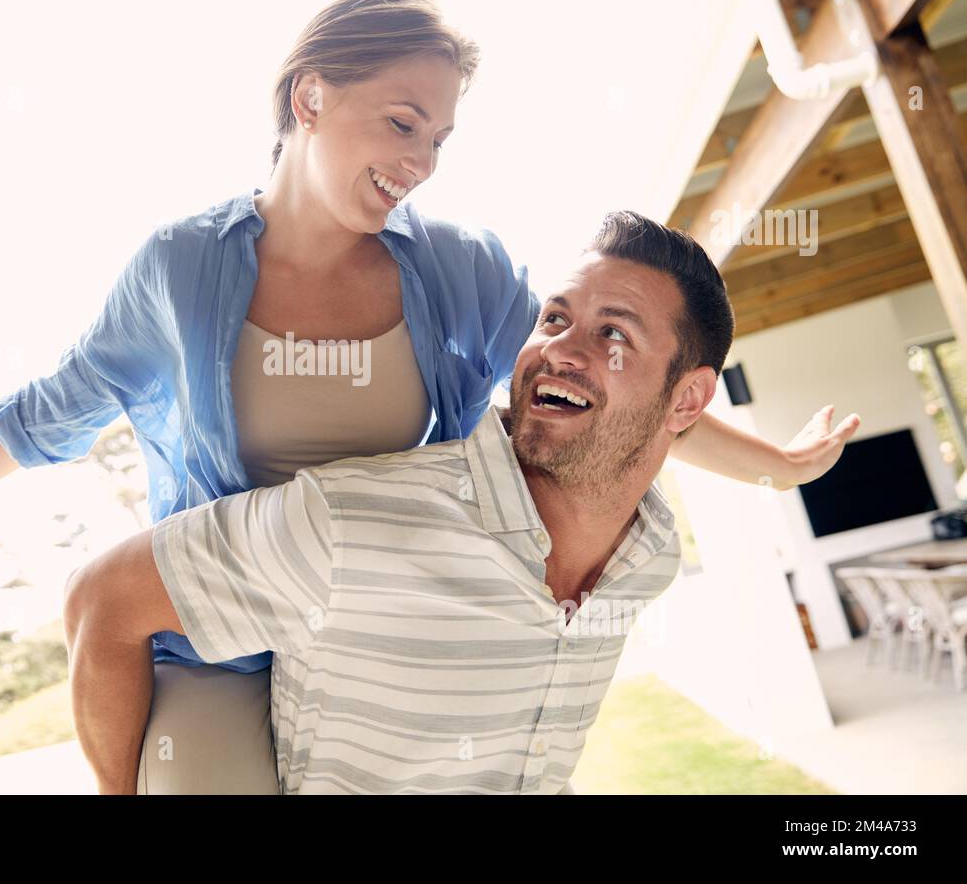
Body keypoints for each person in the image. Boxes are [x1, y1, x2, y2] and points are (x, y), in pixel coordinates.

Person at [0, 0, 860, 794]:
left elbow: (596, 388)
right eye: (402, 122)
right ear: (310, 98)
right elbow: (70, 394)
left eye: (439, 138)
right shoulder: (183, 267)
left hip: (382, 637)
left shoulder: (456, 267)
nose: (421, 162)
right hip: (226, 644)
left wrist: (776, 468)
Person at [60, 210, 861, 794]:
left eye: (614, 335)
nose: (562, 348)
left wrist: (785, 467)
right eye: (555, 318)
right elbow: (104, 599)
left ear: (689, 402)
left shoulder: (646, 558)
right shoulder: (353, 524)